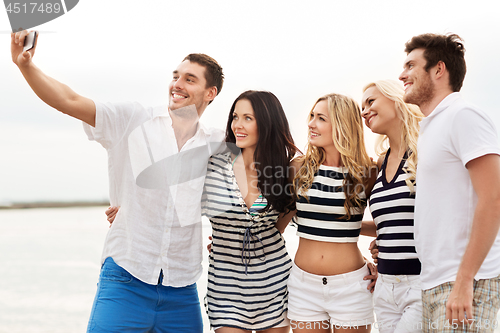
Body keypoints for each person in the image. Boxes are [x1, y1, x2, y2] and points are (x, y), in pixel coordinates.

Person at [11, 30, 225, 332]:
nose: (177, 84)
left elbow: (257, 179)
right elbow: (69, 100)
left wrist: (233, 236)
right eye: (176, 76)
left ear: (210, 93)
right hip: (126, 278)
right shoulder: (132, 120)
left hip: (182, 288)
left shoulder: (216, 144)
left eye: (190, 79)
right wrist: (26, 66)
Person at [399, 33, 500, 331]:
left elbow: (494, 198)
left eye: (410, 65)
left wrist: (464, 280)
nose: (402, 74)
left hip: (466, 283)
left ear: (439, 70)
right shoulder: (432, 126)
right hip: (435, 282)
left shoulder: (462, 115)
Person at [202, 90, 298, 332]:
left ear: (267, 123)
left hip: (275, 282)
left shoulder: (285, 171)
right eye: (235, 117)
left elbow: (278, 227)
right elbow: (174, 199)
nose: (238, 125)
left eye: (248, 118)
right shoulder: (213, 163)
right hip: (225, 285)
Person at [286, 93, 377, 332]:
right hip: (303, 286)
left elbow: (389, 223)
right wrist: (234, 236)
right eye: (312, 116)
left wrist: (386, 265)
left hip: (352, 286)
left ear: (342, 124)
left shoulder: (368, 171)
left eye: (321, 118)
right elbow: (265, 209)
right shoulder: (297, 168)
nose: (311, 124)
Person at [360, 79, 424, 332]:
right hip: (385, 286)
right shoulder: (379, 163)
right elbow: (388, 223)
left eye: (370, 101)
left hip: (420, 282)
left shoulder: (425, 151)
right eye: (361, 107)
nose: (364, 111)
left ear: (397, 100)